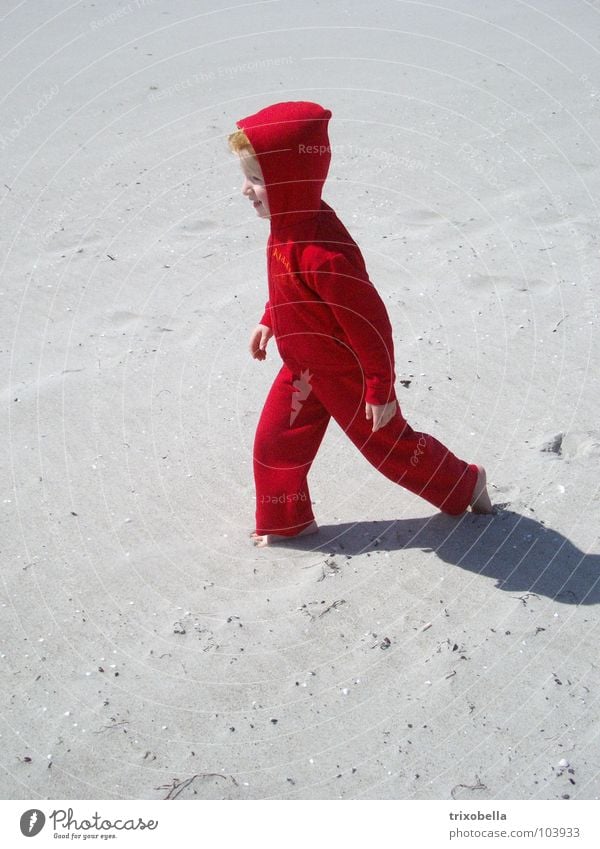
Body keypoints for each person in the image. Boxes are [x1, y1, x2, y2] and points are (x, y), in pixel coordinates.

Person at [228, 101, 493, 546]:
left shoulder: (323, 254)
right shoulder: (286, 226)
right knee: (275, 445)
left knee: (391, 450)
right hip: (305, 369)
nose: (245, 190)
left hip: (345, 372)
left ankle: (466, 483)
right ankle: (287, 521)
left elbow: (371, 326)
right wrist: (269, 318)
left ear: (291, 182)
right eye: (247, 178)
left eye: (257, 180)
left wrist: (380, 389)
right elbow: (288, 288)